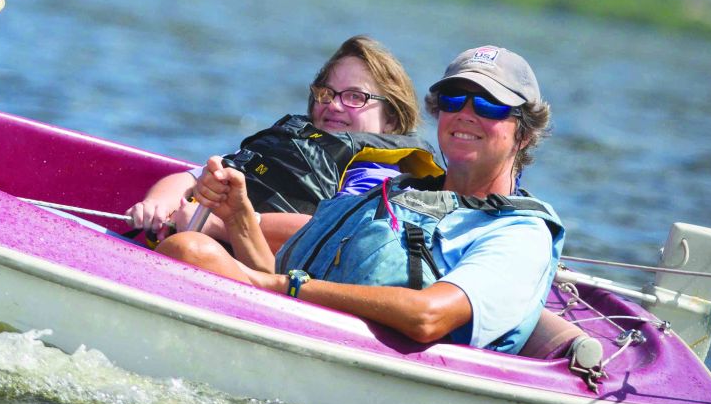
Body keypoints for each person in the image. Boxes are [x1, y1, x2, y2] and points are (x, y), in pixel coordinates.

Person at [159, 45, 564, 353]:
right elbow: (273, 272)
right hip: (308, 336)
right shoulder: (395, 192)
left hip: (387, 365)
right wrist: (240, 219)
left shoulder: (520, 234)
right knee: (192, 249)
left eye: (490, 104)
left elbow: (428, 316)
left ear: (524, 133)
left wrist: (288, 287)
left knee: (188, 251)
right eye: (454, 101)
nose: (466, 114)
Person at [125, 34, 432, 251]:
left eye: (355, 97)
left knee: (188, 246)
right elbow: (190, 178)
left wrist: (217, 226)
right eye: (326, 93)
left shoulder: (378, 178)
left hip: (252, 267)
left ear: (390, 119)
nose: (334, 105)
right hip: (199, 237)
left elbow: (329, 232)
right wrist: (159, 204)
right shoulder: (290, 144)